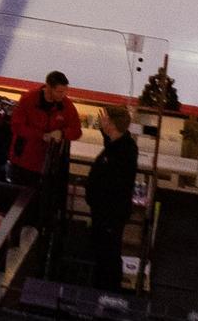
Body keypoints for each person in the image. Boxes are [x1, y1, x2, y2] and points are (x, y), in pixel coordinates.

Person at [86, 105, 139, 292]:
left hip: (110, 213)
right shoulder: (119, 144)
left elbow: (113, 182)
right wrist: (104, 130)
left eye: (106, 119)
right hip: (105, 211)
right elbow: (110, 144)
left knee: (108, 254)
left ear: (113, 124)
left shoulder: (124, 151)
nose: (103, 121)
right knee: (104, 252)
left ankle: (108, 291)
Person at [8, 70, 82, 189]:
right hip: (23, 161)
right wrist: (41, 136)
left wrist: (62, 133)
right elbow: (16, 126)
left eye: (65, 91)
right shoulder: (28, 99)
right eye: (59, 91)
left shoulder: (66, 105)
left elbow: (77, 131)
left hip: (48, 164)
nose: (63, 95)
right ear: (48, 87)